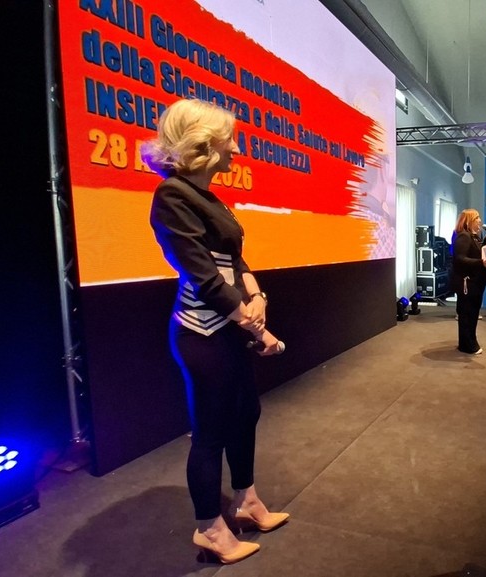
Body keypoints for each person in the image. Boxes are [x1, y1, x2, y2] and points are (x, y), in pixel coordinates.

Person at [146, 99, 288, 565]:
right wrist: (256, 327)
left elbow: (235, 260)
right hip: (203, 333)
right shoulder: (173, 195)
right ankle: (209, 527)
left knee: (246, 413)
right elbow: (204, 277)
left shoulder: (208, 196)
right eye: (231, 140)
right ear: (204, 144)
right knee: (210, 432)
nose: (236, 149)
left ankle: (247, 501)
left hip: (230, 326)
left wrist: (258, 296)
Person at [452, 209, 486, 354]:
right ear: (470, 221)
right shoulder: (464, 236)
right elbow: (460, 259)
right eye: (477, 218)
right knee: (467, 315)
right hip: (467, 283)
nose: (480, 221)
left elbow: (477, 252)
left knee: (472, 314)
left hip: (476, 282)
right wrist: (481, 263)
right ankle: (467, 345)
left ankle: (469, 342)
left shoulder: (474, 236)